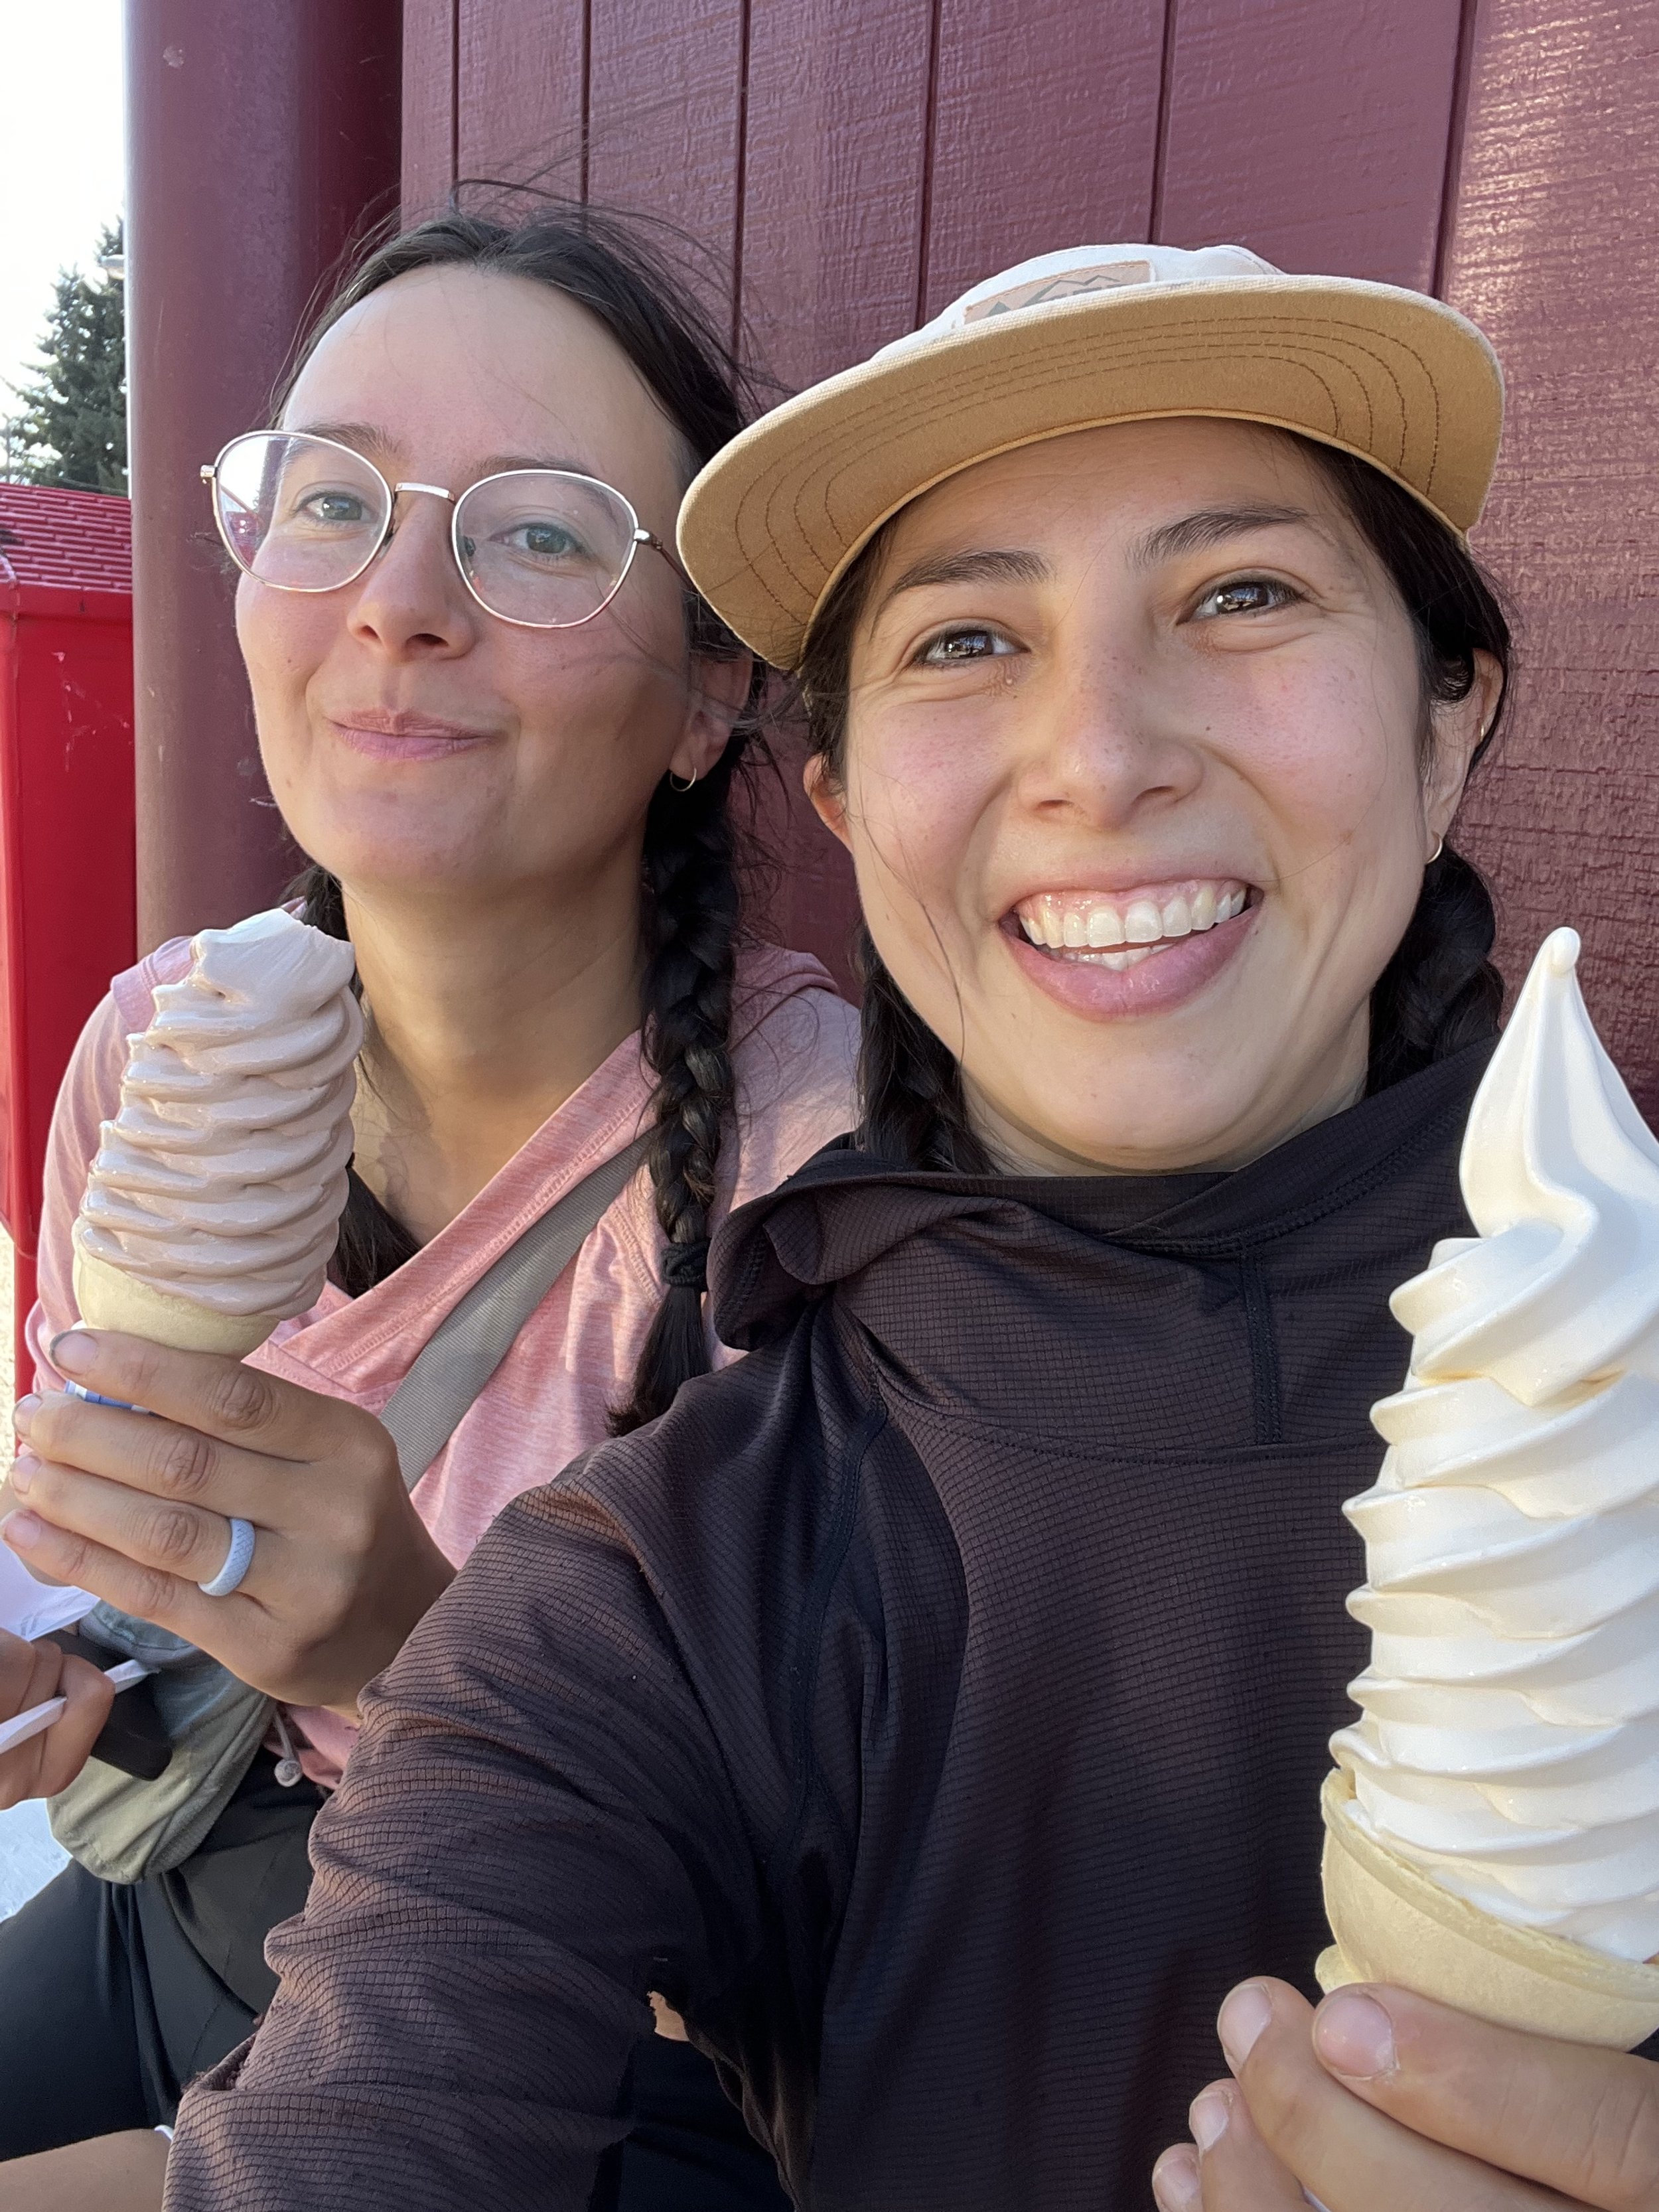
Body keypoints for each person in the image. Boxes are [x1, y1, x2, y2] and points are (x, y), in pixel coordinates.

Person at [93, 242, 1659, 2209]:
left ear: (1447, 727)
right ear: (833, 793)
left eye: (1240, 593)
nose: (1101, 757)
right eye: (965, 641)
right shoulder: (663, 1583)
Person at [0, 204, 857, 2210]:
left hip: (583, 2047)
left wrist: (410, 1652)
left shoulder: (813, 1191)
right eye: (330, 502)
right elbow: (90, 1533)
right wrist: (65, 1648)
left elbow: (815, 1951)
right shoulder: (156, 1051)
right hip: (198, 1879)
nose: (398, 601)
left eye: (541, 530)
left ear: (708, 698)